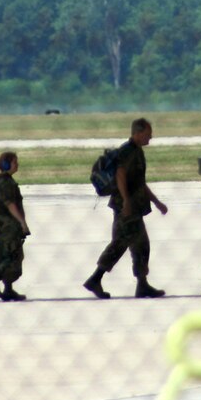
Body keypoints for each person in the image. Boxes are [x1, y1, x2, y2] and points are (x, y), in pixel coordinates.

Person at [83, 118, 168, 299]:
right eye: (147, 134)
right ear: (138, 133)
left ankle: (141, 284)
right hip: (126, 208)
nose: (150, 137)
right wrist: (127, 201)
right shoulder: (127, 152)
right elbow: (120, 175)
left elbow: (139, 182)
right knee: (121, 244)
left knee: (140, 245)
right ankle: (95, 279)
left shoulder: (136, 151)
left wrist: (156, 202)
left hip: (134, 207)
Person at [0, 151, 31, 301]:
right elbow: (10, 204)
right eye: (14, 162)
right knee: (11, 256)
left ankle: (8, 288)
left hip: (6, 224)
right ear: (6, 164)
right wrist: (22, 222)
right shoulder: (5, 183)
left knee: (11, 255)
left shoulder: (5, 181)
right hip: (8, 225)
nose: (17, 165)